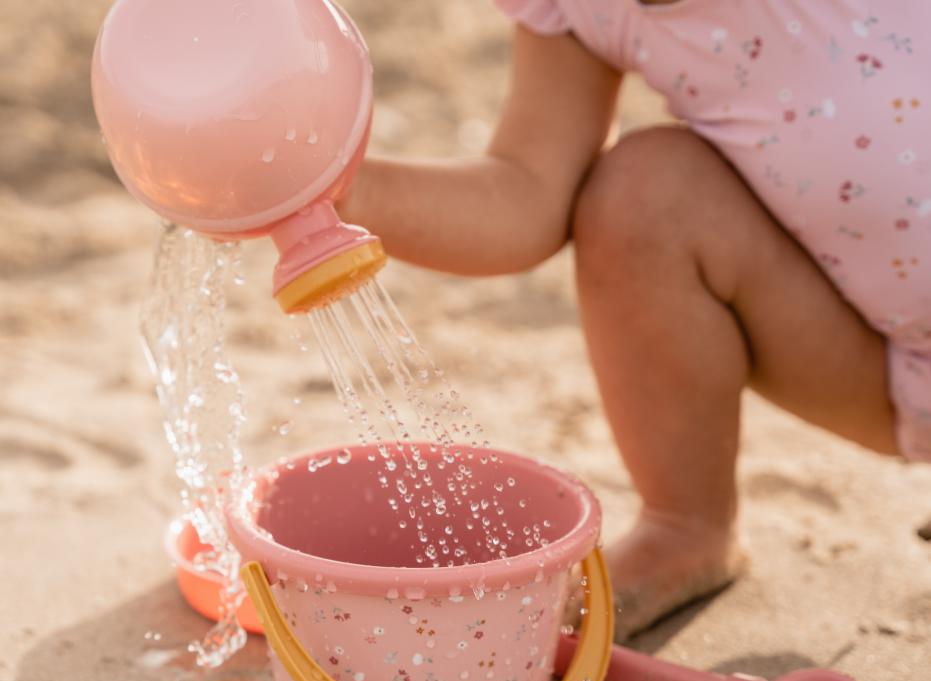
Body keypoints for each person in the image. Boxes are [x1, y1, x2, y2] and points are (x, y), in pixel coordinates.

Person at [337, 1, 930, 639]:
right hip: (893, 372)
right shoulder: (585, 10)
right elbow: (525, 191)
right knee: (644, 196)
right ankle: (685, 525)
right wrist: (336, 187)